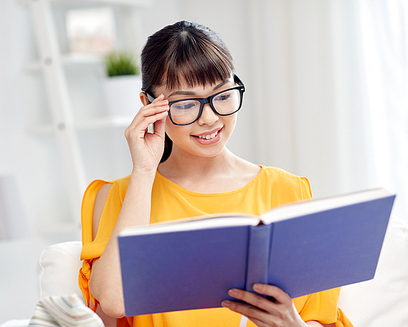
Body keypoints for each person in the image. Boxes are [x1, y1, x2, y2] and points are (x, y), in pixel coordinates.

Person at [79, 21, 353, 327]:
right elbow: (115, 302)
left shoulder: (288, 190)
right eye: (185, 104)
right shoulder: (118, 196)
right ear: (148, 105)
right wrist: (144, 170)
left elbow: (319, 317)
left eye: (222, 96)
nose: (209, 119)